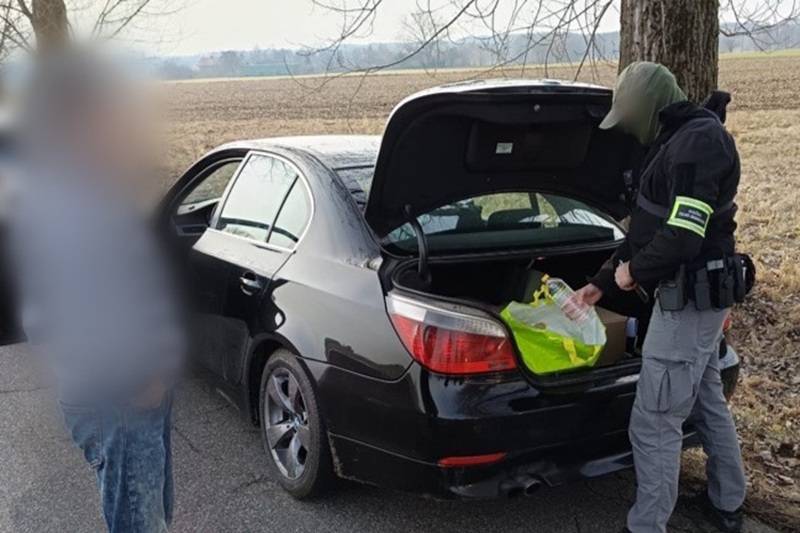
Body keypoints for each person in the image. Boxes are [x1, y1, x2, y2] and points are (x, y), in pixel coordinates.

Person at [7, 50, 185, 532]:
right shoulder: (62, 203)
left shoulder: (94, 189)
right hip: (118, 395)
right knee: (138, 524)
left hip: (135, 391)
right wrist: (137, 379)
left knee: (150, 517)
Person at [573, 62, 747, 533]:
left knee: (654, 421)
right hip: (698, 303)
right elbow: (646, 227)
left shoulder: (696, 145)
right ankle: (727, 502)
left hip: (687, 303)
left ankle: (646, 525)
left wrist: (633, 273)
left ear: (648, 108)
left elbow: (682, 236)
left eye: (629, 120)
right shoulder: (675, 140)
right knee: (706, 399)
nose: (629, 131)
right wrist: (603, 281)